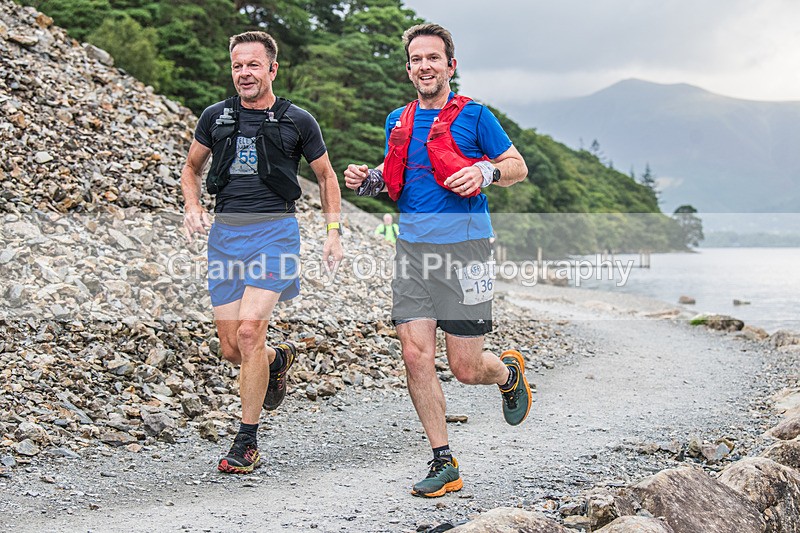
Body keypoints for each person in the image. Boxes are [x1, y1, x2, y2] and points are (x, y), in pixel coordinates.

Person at [344, 23, 532, 498]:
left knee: (467, 369)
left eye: (433, 58)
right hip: (412, 251)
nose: (424, 66)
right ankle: (443, 461)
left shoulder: (476, 116)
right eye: (416, 59)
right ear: (409, 69)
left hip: (467, 251)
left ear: (451, 65)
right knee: (414, 355)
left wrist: (485, 170)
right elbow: (395, 184)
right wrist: (365, 181)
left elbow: (517, 166)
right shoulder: (397, 120)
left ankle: (508, 373)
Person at [181, 30, 344, 474]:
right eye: (237, 66)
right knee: (233, 348)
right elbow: (192, 168)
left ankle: (246, 441)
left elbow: (327, 177)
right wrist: (192, 206)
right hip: (225, 237)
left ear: (272, 69)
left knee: (250, 332)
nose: (244, 73)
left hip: (276, 233)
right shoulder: (215, 117)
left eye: (253, 65)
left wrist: (333, 231)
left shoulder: (298, 121)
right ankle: (277, 360)